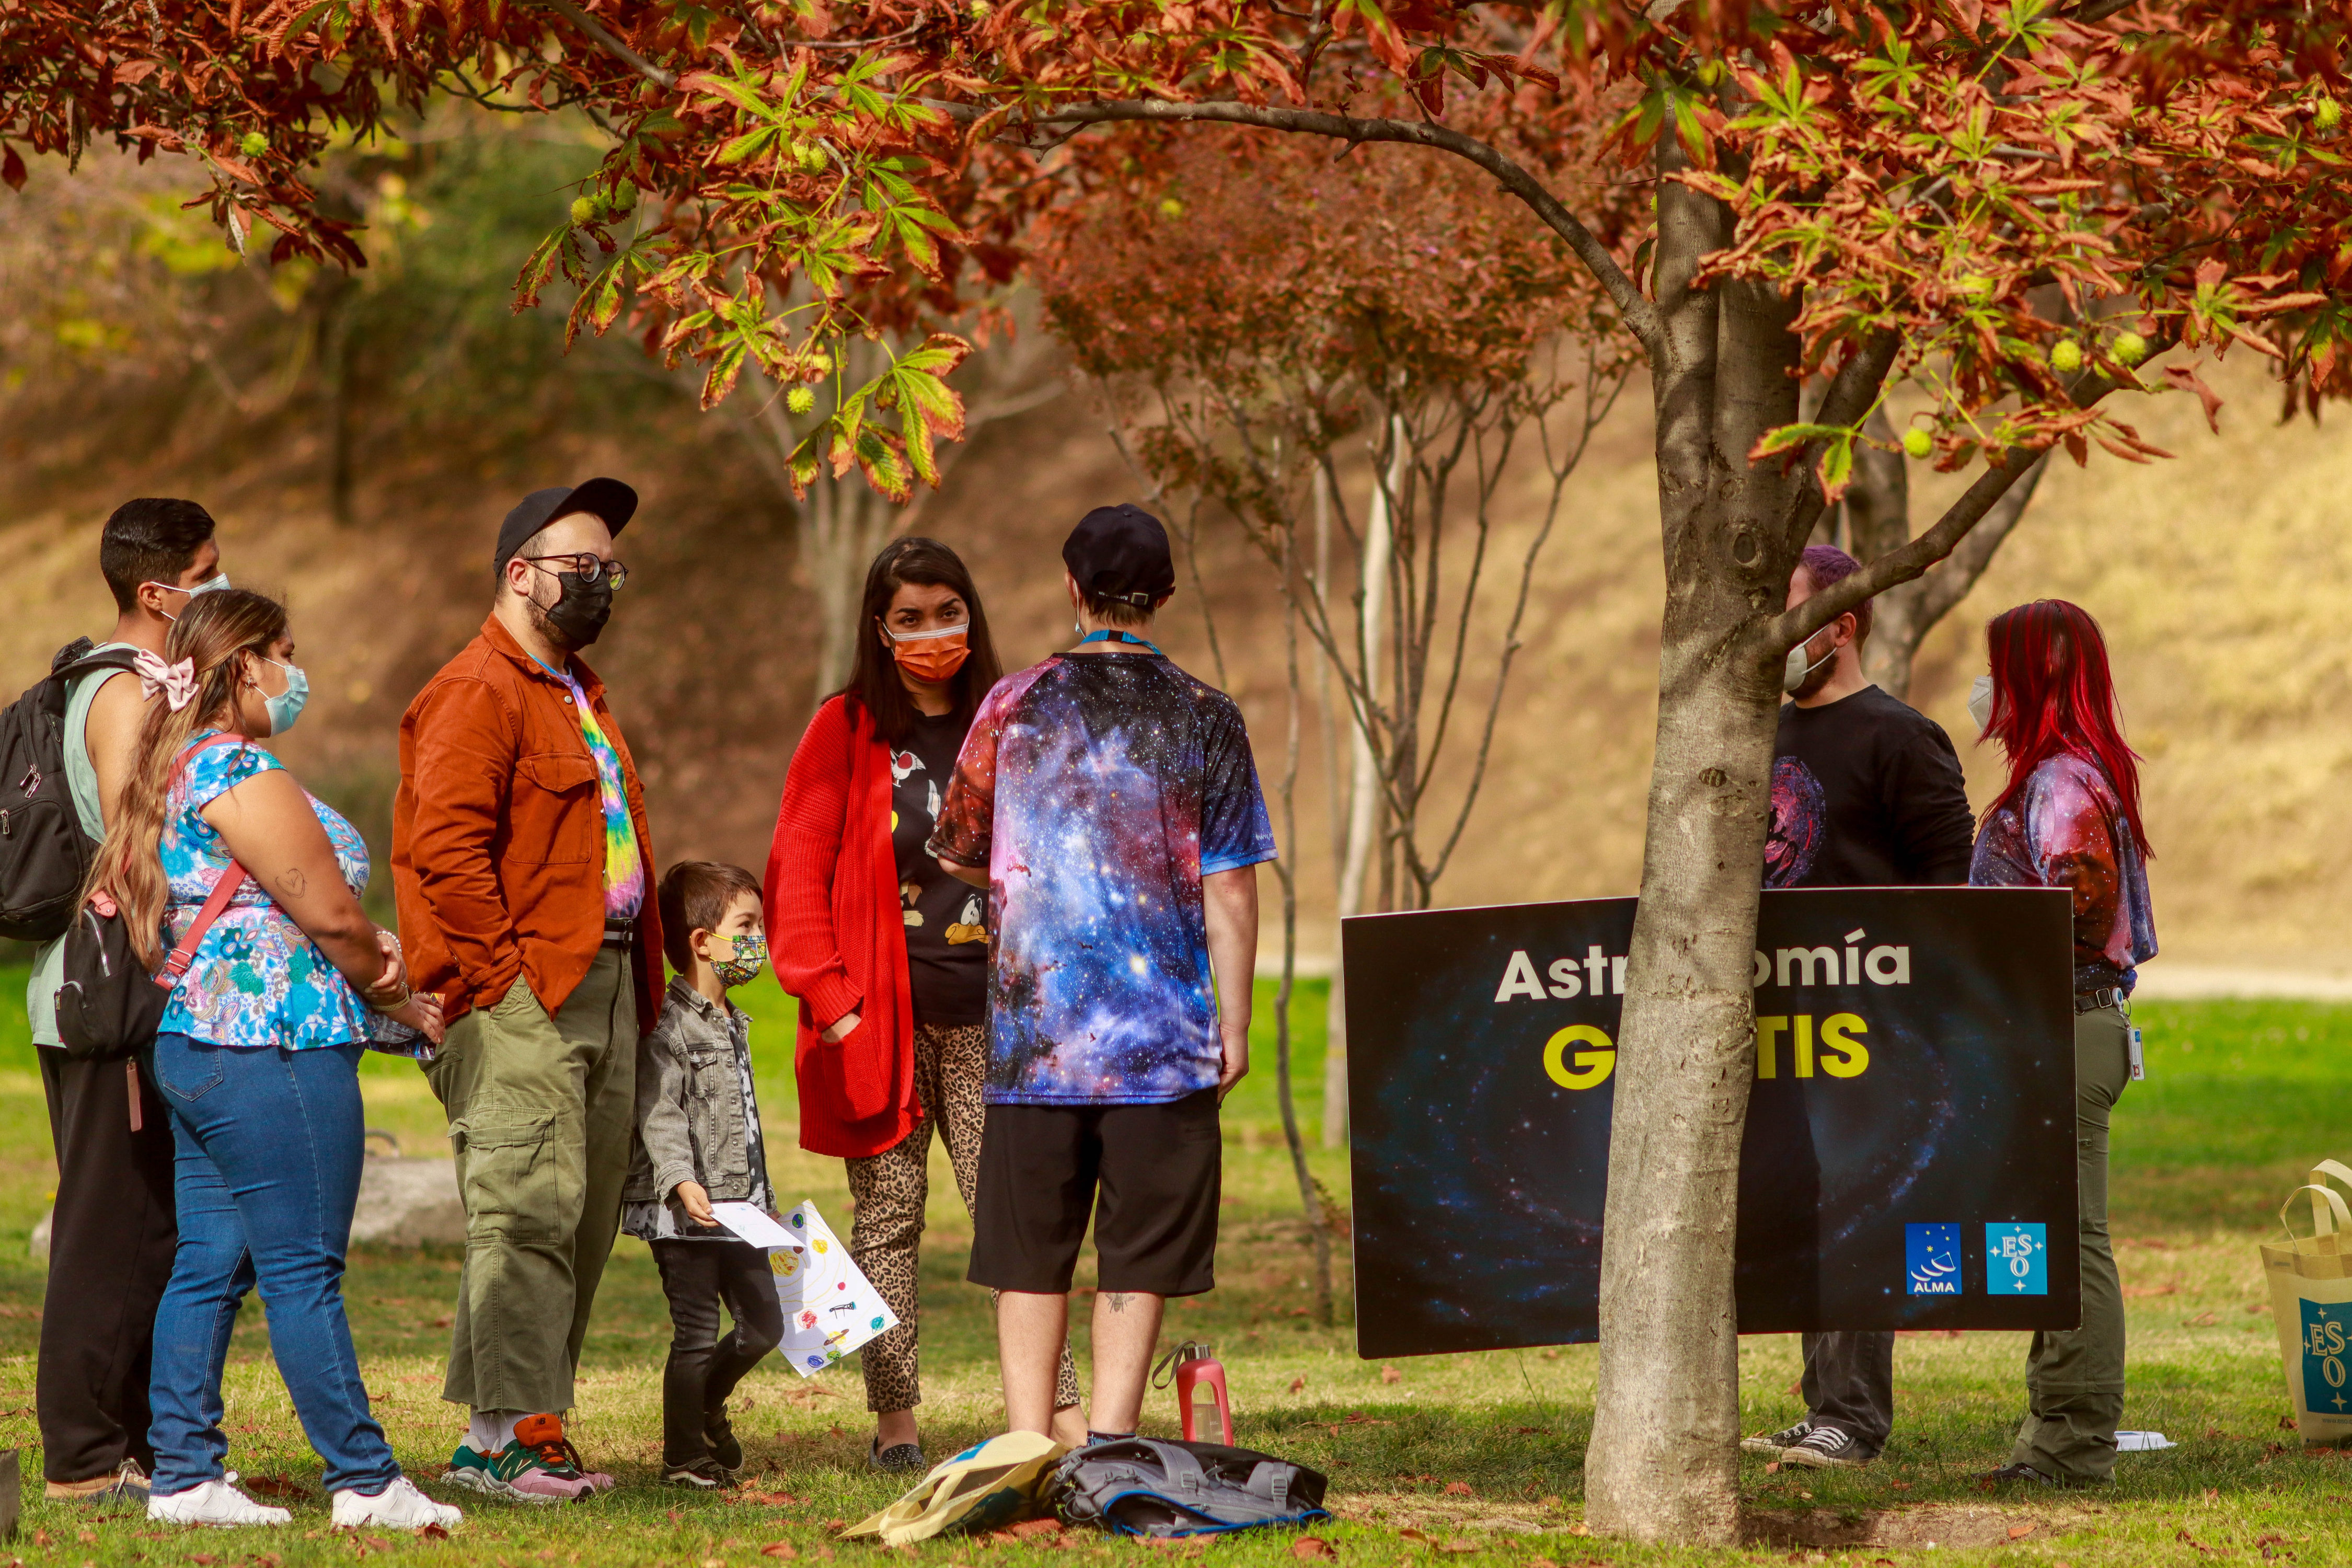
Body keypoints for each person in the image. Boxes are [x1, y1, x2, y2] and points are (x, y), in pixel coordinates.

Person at [81, 588, 458, 1531]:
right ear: (244, 664)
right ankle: (365, 1481)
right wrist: (397, 994)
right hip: (274, 1048)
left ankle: (185, 1475)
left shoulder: (173, 769)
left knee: (209, 1264)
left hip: (199, 1047)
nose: (296, 674)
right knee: (303, 1271)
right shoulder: (238, 767)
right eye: (285, 653)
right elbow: (325, 914)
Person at [930, 503, 1275, 1444]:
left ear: (1073, 590)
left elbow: (961, 850)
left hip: (1035, 1040)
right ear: (1163, 595)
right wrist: (1233, 1026)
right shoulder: (1209, 714)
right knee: (1140, 1252)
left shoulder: (1011, 703)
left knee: (1028, 1255)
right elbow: (1232, 885)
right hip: (1165, 1041)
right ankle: (1115, 1440)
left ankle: (1029, 1442)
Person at [766, 538, 1082, 1470]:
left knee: (1015, 1218)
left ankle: (1058, 1411)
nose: (932, 633)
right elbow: (797, 878)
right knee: (887, 1222)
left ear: (971, 615)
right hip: (883, 1027)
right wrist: (838, 1005)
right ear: (880, 628)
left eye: (947, 612)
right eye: (909, 619)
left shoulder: (1010, 722)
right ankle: (894, 1421)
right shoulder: (847, 729)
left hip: (998, 1020)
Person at [392, 479, 662, 1502]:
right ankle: (501, 1443)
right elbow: (446, 852)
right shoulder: (479, 689)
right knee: (524, 1210)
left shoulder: (577, 691)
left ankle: (518, 1430)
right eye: (579, 568)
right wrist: (501, 989)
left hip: (608, 978)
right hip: (525, 989)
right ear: (520, 575)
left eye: (611, 570)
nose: (600, 583)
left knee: (577, 1218)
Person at [1743, 544, 1976, 1471]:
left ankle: (1856, 1417)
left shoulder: (1901, 737)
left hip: (1869, 1028)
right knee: (1796, 1209)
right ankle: (1821, 1403)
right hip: (1775, 1021)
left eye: (1792, 613)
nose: (1777, 636)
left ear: (1840, 624)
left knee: (1855, 1212)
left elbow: (1946, 890)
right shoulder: (1755, 734)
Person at [28, 499, 225, 1506]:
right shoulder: (123, 693)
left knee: (147, 1220)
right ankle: (83, 1458)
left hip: (112, 987)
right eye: (210, 572)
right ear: (160, 592)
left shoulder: (137, 685)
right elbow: (131, 840)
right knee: (114, 1225)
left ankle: (134, 1440)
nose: (220, 589)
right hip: (111, 994)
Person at [1968, 599, 2155, 1489]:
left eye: (1995, 670)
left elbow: (2071, 913)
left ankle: (2073, 1443)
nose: (1984, 692)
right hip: (2064, 1031)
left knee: (2072, 1243)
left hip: (2067, 1028)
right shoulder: (2072, 774)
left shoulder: (2063, 786)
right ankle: (2053, 1432)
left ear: (2027, 678)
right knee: (2052, 1239)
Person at [622, 861, 785, 1489]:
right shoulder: (670, 1025)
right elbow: (659, 1112)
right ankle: (684, 1456)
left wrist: (761, 1198)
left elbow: (740, 1123)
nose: (758, 942)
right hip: (682, 1210)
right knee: (695, 1333)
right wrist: (677, 1179)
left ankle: (708, 1404)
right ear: (702, 941)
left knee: (765, 1325)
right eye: (746, 927)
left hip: (738, 1209)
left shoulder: (734, 1020)